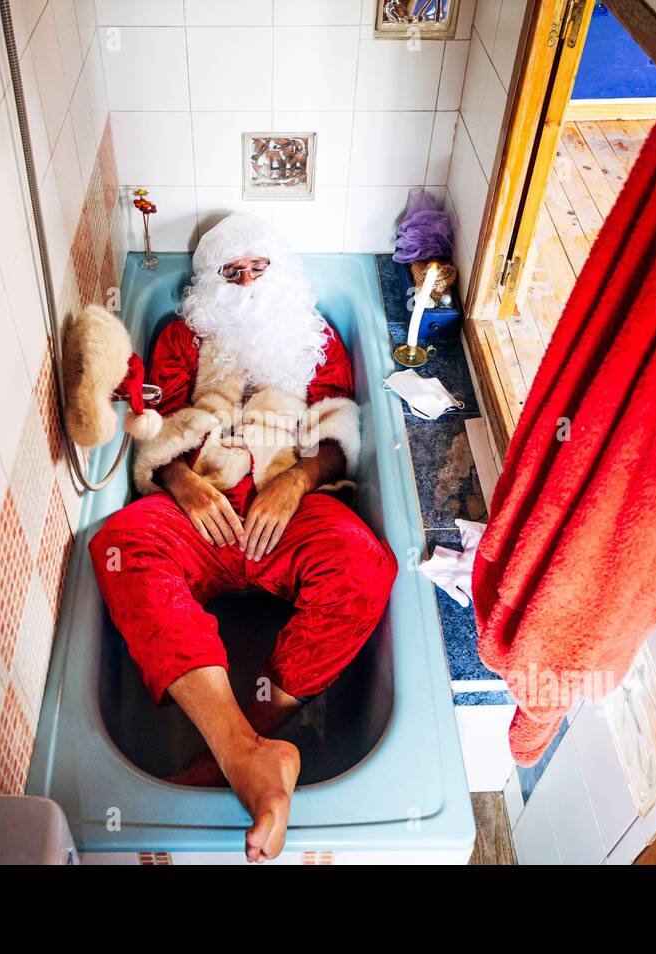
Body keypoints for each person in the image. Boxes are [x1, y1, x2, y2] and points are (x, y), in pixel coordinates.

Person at [88, 214, 397, 862]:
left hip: (286, 510)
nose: (249, 283)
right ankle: (244, 755)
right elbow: (156, 421)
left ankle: (244, 742)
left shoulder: (314, 334)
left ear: (282, 274)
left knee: (365, 565)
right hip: (204, 511)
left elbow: (341, 424)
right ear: (211, 283)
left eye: (260, 269)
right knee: (121, 544)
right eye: (233, 273)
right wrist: (179, 480)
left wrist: (300, 481)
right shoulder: (183, 335)